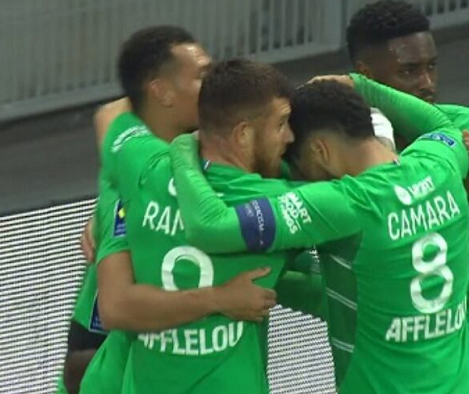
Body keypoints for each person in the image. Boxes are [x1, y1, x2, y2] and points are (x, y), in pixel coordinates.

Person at [167, 74, 469, 393]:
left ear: (320, 151)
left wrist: (182, 152)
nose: (297, 179)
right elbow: (444, 128)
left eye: (297, 166)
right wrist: (361, 85)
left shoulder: (345, 204)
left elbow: (209, 226)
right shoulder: (440, 165)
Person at [346, 0, 469, 393]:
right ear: (366, 76)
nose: (427, 83)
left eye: (432, 66)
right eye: (409, 71)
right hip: (418, 369)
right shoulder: (348, 157)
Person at [100, 58, 335, 394]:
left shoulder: (147, 167)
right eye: (281, 124)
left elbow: (113, 115)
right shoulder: (278, 202)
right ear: (243, 134)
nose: (290, 136)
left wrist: (111, 208)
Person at [71, 27, 283, 394]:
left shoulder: (225, 166)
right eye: (201, 75)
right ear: (162, 92)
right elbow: (100, 332)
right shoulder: (133, 181)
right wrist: (220, 298)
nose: (213, 84)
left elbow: (111, 114)